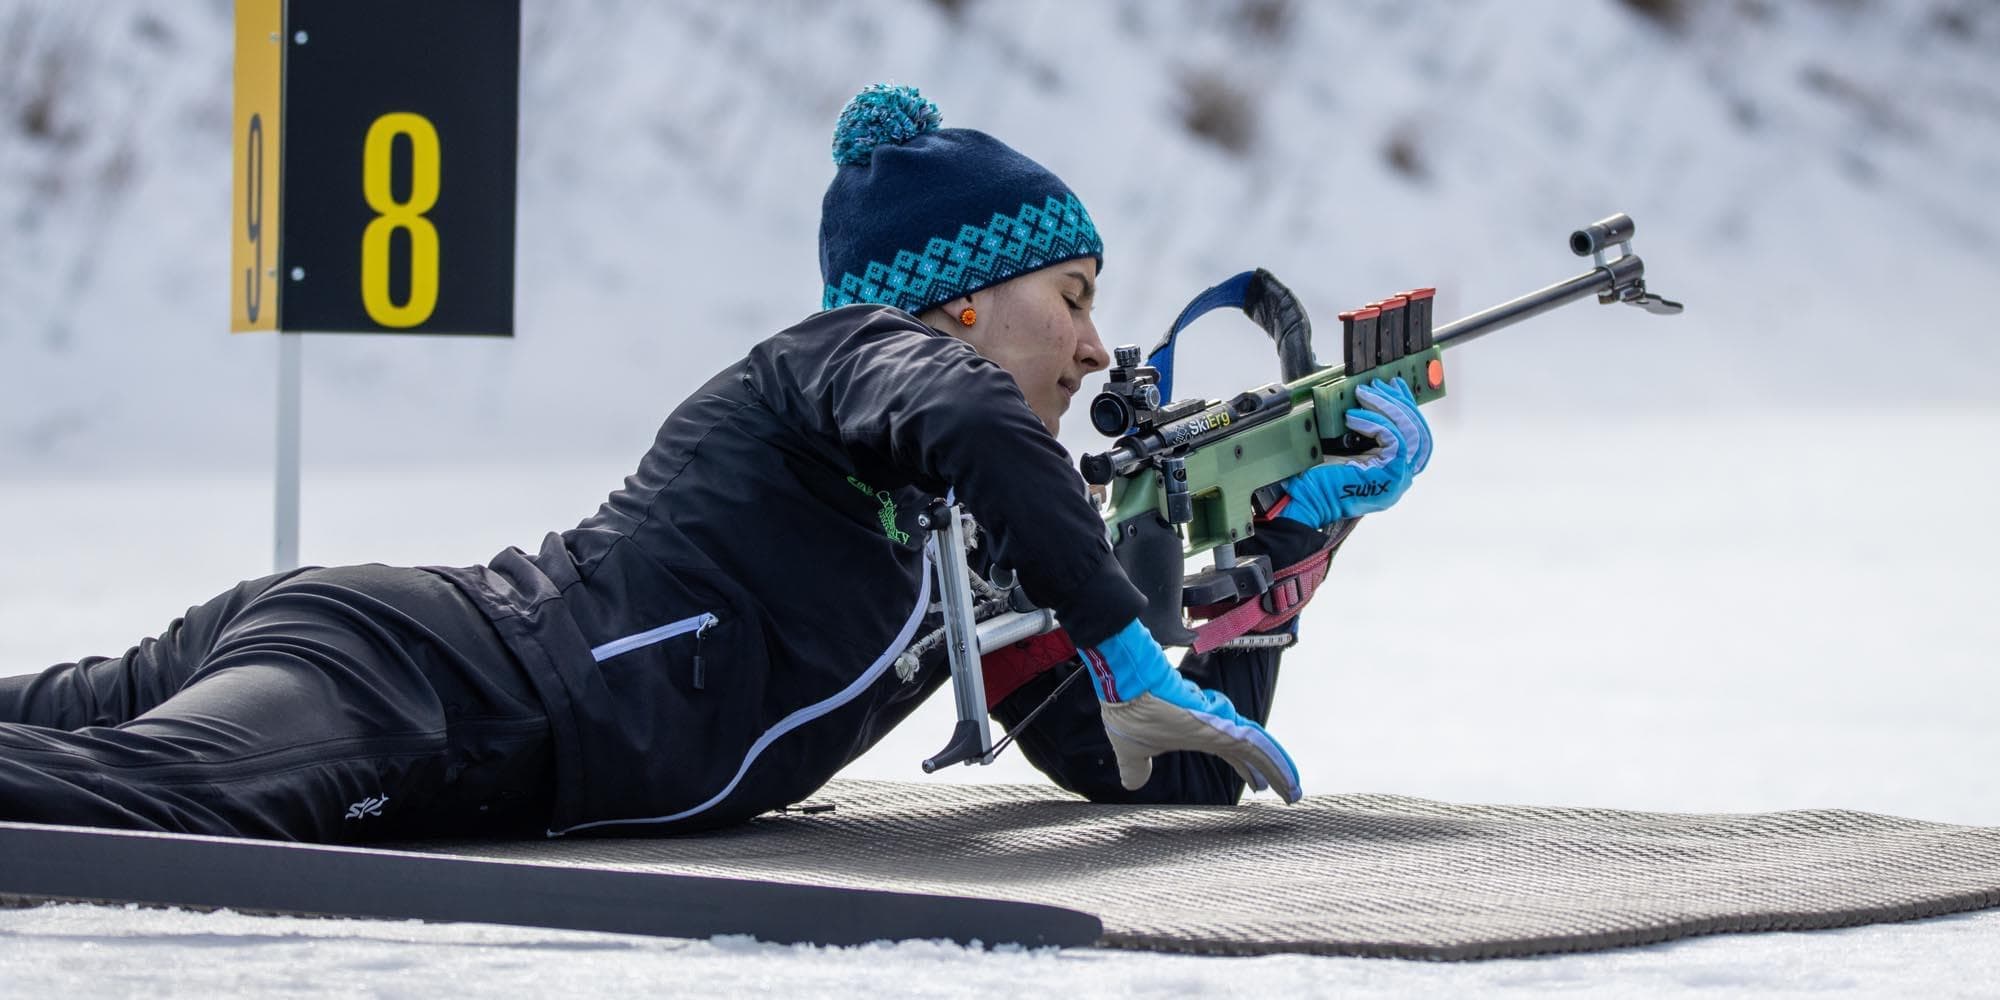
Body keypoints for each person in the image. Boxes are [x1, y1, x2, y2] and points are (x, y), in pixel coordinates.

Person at [0, 85, 1431, 842]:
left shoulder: (974, 539)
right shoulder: (828, 365)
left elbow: (1158, 780)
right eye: (1073, 296)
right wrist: (1130, 635)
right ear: (949, 306)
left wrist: (1291, 553)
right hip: (420, 680)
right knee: (154, 802)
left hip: (389, 656)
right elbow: (973, 423)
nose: (1101, 347)